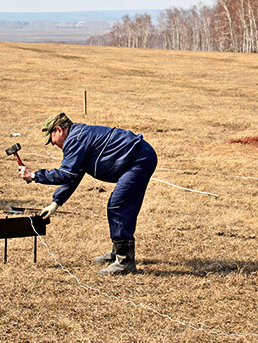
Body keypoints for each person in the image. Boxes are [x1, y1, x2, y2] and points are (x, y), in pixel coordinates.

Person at [17, 112, 157, 275]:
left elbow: (66, 174)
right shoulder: (78, 136)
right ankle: (117, 253)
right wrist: (56, 202)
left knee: (118, 205)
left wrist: (34, 175)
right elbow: (75, 174)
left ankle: (125, 262)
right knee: (121, 205)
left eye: (52, 140)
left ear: (59, 130)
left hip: (138, 160)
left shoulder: (75, 140)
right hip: (137, 157)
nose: (54, 145)